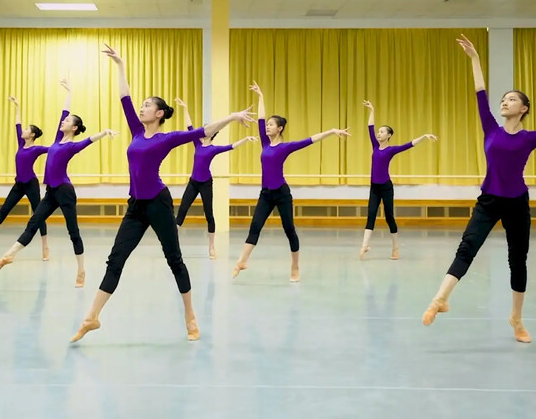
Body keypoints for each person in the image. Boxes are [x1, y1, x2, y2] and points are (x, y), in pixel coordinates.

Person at [70, 44, 254, 343]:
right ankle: (92, 318)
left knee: (174, 259)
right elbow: (124, 98)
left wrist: (232, 116)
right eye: (141, 106)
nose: (141, 108)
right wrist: (120, 64)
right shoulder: (136, 131)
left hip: (157, 202)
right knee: (115, 259)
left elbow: (203, 130)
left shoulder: (168, 138)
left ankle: (190, 317)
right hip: (135, 206)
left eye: (147, 106)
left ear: (158, 113)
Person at [421, 34, 536, 344]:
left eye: (512, 99)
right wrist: (475, 58)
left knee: (517, 260)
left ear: (524, 109)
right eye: (503, 99)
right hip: (489, 200)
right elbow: (480, 92)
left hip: (517, 203)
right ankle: (440, 298)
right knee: (468, 246)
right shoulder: (490, 128)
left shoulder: (530, 137)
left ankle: (516, 319)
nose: (505, 102)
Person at [0, 80, 117, 288]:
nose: (63, 122)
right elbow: (64, 111)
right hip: (51, 191)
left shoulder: (72, 146)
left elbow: (88, 140)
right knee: (34, 222)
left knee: (73, 232)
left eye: (67, 121)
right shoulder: (57, 140)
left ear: (74, 127)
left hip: (65, 192)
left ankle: (81, 271)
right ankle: (9, 254)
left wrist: (104, 132)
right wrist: (70, 91)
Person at [232, 81, 350, 283]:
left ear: (280, 128)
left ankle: (295, 266)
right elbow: (260, 118)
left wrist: (331, 131)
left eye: (271, 124)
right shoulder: (265, 142)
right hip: (265, 194)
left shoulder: (285, 147)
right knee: (255, 226)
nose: (267, 126)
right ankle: (243, 260)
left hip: (281, 193)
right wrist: (261, 97)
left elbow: (310, 140)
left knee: (290, 230)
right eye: (267, 124)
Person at [173, 97, 256, 259]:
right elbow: (189, 126)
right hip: (193, 182)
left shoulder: (214, 148)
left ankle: (212, 247)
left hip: (205, 184)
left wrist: (246, 139)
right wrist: (185, 108)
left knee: (209, 214)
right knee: (181, 211)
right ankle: (173, 245)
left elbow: (231, 146)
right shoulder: (196, 143)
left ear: (212, 133)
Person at [0, 94, 50, 261]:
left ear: (32, 135)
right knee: (4, 211)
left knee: (38, 214)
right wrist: (17, 106)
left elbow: (54, 149)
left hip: (31, 183)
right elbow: (17, 123)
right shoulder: (21, 144)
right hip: (19, 184)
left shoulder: (36, 149)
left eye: (27, 130)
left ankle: (45, 246)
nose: (23, 131)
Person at [359, 100, 437, 260]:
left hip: (386, 188)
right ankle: (364, 246)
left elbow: (409, 145)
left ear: (389, 135)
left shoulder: (391, 150)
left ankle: (395, 247)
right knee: (371, 215)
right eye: (379, 132)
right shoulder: (375, 146)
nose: (379, 134)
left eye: (382, 132)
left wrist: (424, 136)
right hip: (374, 187)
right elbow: (370, 127)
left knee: (389, 217)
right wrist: (372, 110)